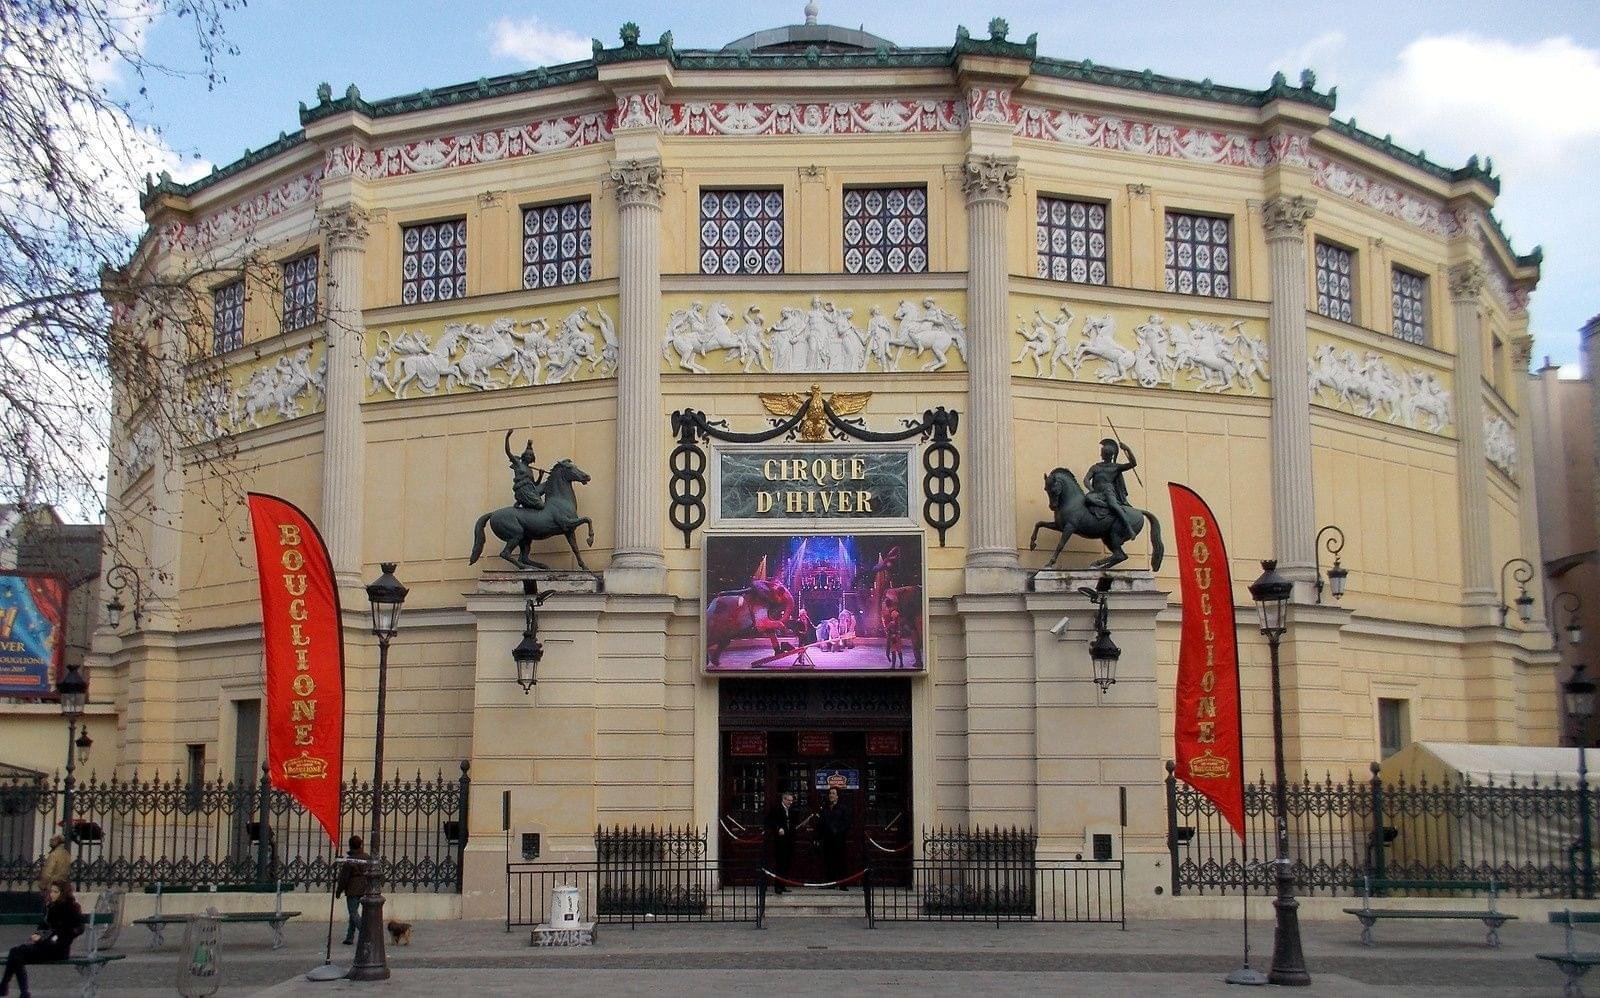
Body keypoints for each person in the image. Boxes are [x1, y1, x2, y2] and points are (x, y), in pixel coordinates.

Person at [2, 879, 82, 997]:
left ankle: (10, 988)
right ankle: (16, 990)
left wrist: (45, 938)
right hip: (47, 947)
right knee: (16, 954)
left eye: (56, 892)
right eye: (51, 891)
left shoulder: (68, 908)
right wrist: (38, 935)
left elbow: (65, 932)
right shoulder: (52, 907)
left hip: (57, 950)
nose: (52, 894)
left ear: (63, 893)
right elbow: (45, 927)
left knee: (16, 954)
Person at [1083, 438, 1139, 536]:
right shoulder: (1095, 467)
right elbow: (1086, 479)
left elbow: (1133, 463)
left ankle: (1129, 527)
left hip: (1108, 491)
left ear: (1109, 455)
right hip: (1096, 492)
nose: (1102, 455)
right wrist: (1092, 490)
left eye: (1103, 453)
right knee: (1087, 499)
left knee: (1114, 505)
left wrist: (1127, 449)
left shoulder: (1116, 467)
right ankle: (1104, 507)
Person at [334, 835, 371, 945]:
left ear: (350, 846)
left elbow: (344, 878)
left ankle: (364, 932)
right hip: (365, 887)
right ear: (360, 845)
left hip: (353, 889)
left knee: (353, 913)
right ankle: (349, 937)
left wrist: (339, 890)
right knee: (353, 914)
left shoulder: (350, 860)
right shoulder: (367, 857)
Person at [764, 791, 799, 894]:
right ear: (783, 799)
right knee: (780, 865)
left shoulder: (792, 810)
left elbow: (793, 822)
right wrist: (778, 828)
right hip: (779, 842)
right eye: (788, 800)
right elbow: (769, 821)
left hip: (789, 841)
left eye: (791, 801)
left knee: (787, 864)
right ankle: (778, 886)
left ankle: (783, 885)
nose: (790, 802)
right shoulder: (776, 809)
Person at [819, 787, 852, 890]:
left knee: (841, 862)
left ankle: (843, 884)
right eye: (830, 793)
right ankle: (830, 883)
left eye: (833, 793)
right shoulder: (825, 808)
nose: (831, 795)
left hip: (839, 839)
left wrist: (838, 830)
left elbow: (847, 823)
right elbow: (821, 823)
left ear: (837, 796)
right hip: (827, 839)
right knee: (829, 861)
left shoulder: (843, 808)